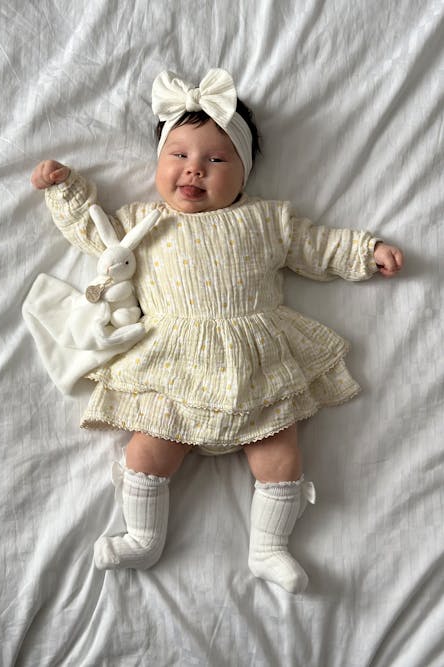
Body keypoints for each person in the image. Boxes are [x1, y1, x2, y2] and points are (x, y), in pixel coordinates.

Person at [30, 69, 403, 594]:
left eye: (215, 159)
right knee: (146, 450)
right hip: (172, 361)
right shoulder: (145, 220)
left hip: (256, 360)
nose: (194, 170)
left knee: (280, 452)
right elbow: (95, 233)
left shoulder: (268, 221)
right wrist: (66, 188)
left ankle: (269, 547)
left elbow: (318, 247)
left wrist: (365, 253)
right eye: (178, 155)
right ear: (159, 162)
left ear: (244, 174)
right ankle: (143, 534)